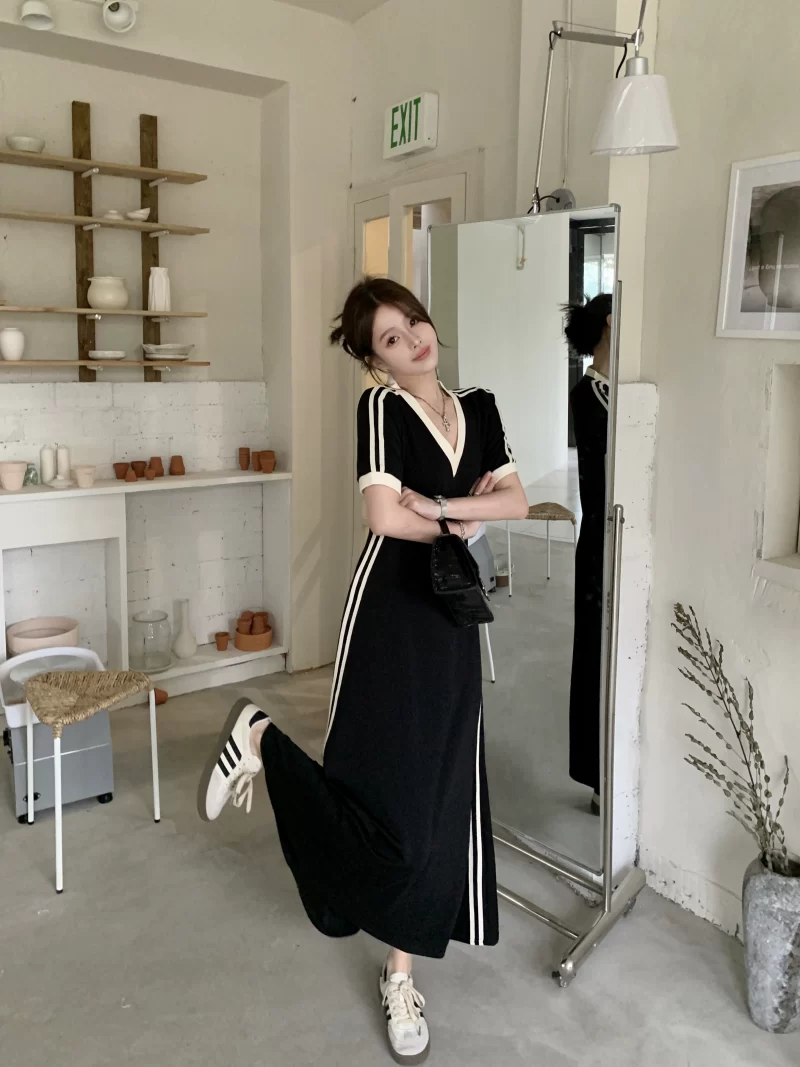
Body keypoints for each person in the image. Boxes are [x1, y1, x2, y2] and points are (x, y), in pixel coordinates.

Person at [197, 277, 528, 1065]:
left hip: (454, 615)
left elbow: (517, 503)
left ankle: (400, 971)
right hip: (389, 615)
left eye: (412, 321)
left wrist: (438, 508)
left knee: (443, 796)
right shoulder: (380, 407)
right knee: (381, 796)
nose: (413, 339)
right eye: (390, 337)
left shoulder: (479, 406)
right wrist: (465, 508)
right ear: (375, 360)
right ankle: (261, 737)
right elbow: (382, 516)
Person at [565, 294, 612, 816]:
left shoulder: (618, 389)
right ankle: (598, 774)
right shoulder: (588, 394)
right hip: (601, 538)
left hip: (621, 535)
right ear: (610, 324)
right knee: (595, 653)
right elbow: (601, 479)